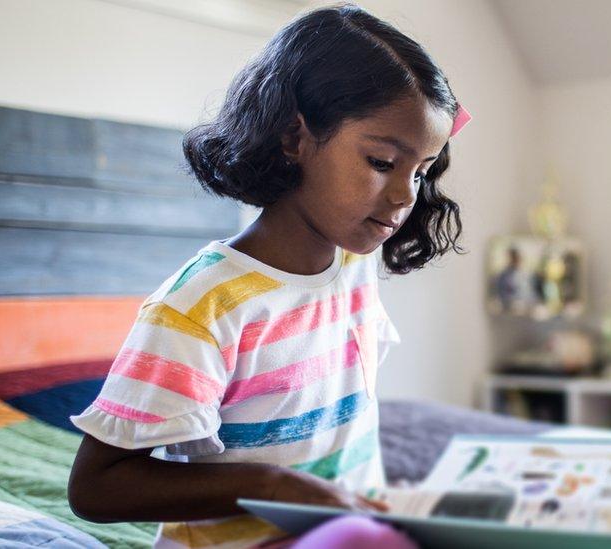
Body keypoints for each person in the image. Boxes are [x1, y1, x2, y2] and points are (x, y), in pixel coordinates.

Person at [66, 4, 469, 548]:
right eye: (380, 162)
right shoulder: (203, 305)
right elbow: (95, 488)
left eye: (419, 172)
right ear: (292, 138)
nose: (403, 196)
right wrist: (272, 484)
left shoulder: (352, 263)